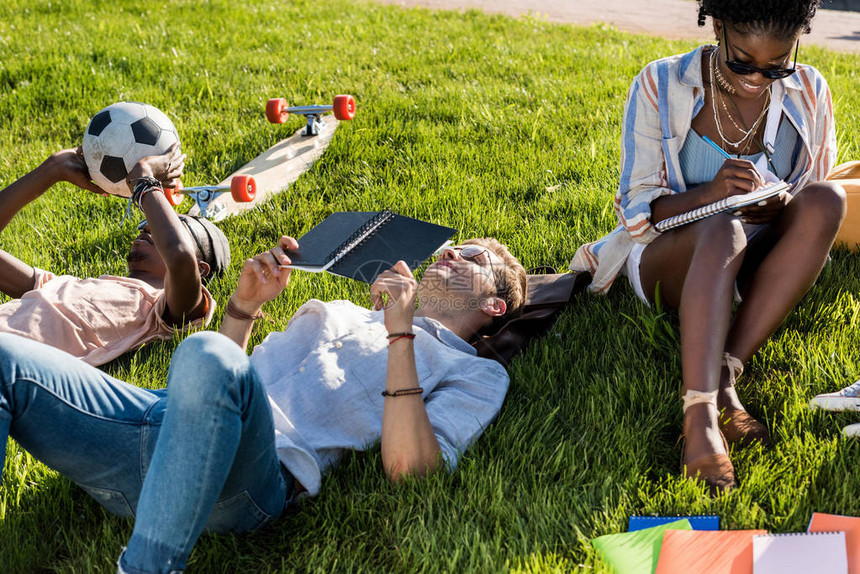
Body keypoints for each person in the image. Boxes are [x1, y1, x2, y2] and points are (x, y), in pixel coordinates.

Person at [0, 234, 527, 573]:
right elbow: (211, 389)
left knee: (208, 354)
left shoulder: (476, 373)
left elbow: (411, 471)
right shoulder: (344, 308)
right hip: (155, 428)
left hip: (250, 479)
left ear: (494, 304)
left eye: (472, 257)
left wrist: (401, 334)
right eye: (450, 248)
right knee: (5, 357)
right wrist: (243, 307)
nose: (448, 253)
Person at [570, 0, 845, 493]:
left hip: (756, 261)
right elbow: (637, 213)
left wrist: (779, 204)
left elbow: (812, 195)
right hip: (670, 257)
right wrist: (711, 195)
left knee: (828, 198)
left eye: (776, 65)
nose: (757, 79)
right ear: (717, 27)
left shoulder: (810, 89)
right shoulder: (662, 83)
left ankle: (725, 376)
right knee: (722, 227)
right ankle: (699, 417)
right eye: (741, 61)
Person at [0, 144, 230, 366]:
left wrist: (144, 180)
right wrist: (52, 169)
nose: (147, 228)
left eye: (169, 226)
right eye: (148, 223)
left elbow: (179, 257)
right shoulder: (70, 286)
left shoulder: (163, 309)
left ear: (199, 270)